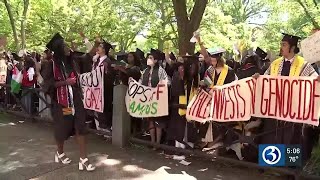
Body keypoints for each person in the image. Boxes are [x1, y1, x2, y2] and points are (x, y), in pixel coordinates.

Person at [255, 33, 319, 164]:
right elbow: (265, 80)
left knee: (291, 139)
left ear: (293, 48)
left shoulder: (304, 65)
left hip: (293, 112)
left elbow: (313, 83)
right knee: (272, 137)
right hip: (274, 110)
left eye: (284, 45)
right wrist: (258, 77)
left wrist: (317, 80)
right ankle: (270, 166)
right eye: (281, 44)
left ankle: (289, 170)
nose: (281, 47)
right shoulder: (275, 64)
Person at [41, 33, 95, 171]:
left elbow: (89, 55)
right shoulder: (51, 65)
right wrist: (66, 82)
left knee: (80, 126)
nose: (67, 47)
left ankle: (84, 159)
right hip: (63, 103)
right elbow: (46, 85)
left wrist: (92, 42)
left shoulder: (72, 61)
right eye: (64, 45)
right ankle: (59, 152)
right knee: (63, 129)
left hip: (76, 100)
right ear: (58, 48)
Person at [196, 35, 237, 153]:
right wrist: (203, 84)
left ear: (219, 60)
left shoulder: (229, 71)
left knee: (220, 125)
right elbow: (207, 83)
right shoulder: (210, 70)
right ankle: (208, 142)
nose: (212, 62)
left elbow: (232, 86)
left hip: (223, 102)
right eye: (212, 60)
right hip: (210, 101)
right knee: (207, 122)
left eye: (214, 60)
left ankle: (217, 145)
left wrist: (219, 90)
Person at [167, 55, 199, 151]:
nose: (193, 71)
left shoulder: (195, 80)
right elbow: (175, 96)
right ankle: (179, 150)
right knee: (179, 129)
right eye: (191, 68)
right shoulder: (179, 77)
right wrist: (181, 106)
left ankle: (188, 149)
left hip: (190, 110)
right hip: (179, 109)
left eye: (195, 68)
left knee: (189, 129)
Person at [140, 48, 170, 149]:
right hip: (147, 99)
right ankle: (152, 142)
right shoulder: (145, 71)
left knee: (158, 122)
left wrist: (159, 87)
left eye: (151, 58)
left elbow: (168, 82)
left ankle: (158, 143)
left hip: (157, 99)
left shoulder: (161, 71)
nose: (149, 59)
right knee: (150, 121)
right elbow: (140, 83)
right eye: (148, 57)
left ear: (156, 60)